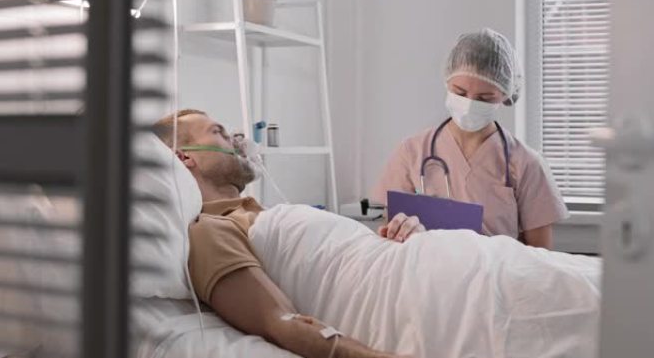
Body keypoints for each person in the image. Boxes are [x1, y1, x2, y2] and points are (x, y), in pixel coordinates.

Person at [153, 109, 410, 358]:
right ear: (185, 158)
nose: (238, 141)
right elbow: (280, 322)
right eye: (218, 132)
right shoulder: (209, 231)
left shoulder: (262, 213)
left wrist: (401, 237)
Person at [371, 28, 568, 248]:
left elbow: (540, 257)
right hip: (428, 274)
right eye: (460, 93)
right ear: (447, 82)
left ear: (505, 94)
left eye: (485, 98)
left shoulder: (527, 164)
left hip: (494, 278)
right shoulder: (412, 152)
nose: (469, 105)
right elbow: (390, 234)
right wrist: (400, 229)